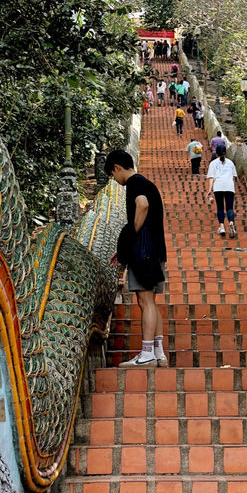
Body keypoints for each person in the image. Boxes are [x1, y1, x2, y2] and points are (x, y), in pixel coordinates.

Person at [105, 150, 167, 367]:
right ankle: (158, 353)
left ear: (117, 168)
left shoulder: (134, 183)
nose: (116, 180)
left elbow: (142, 205)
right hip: (155, 251)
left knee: (145, 301)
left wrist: (131, 237)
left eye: (113, 175)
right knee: (151, 302)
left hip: (143, 253)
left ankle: (147, 353)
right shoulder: (147, 183)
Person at [206, 145, 238, 237]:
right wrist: (231, 186)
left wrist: (209, 190)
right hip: (229, 187)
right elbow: (233, 177)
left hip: (218, 187)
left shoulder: (213, 163)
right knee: (230, 208)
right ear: (225, 153)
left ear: (216, 153)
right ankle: (231, 223)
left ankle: (222, 226)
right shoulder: (231, 163)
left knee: (220, 207)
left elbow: (211, 178)